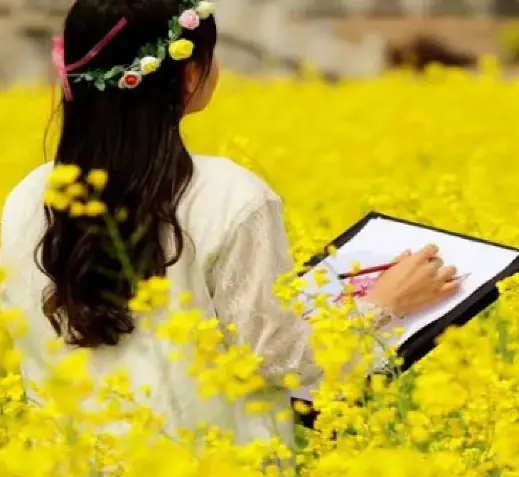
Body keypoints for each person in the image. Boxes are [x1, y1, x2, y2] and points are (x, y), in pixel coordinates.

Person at [0, 0, 461, 445]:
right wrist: (381, 305)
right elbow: (278, 358)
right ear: (191, 74)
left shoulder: (26, 198)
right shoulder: (231, 196)